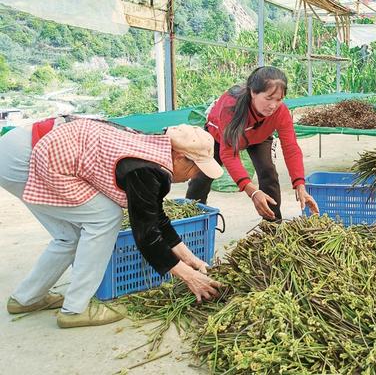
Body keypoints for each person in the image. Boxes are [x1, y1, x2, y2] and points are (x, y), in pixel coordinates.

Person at [0, 117, 224, 328]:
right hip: (27, 156)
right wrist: (189, 277)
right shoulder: (145, 168)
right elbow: (146, 235)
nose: (194, 177)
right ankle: (75, 310)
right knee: (105, 218)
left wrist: (192, 260)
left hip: (17, 148)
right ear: (180, 157)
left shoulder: (153, 149)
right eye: (196, 169)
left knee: (69, 236)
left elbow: (156, 217)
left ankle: (26, 298)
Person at [186, 66, 319, 220]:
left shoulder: (280, 112)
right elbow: (229, 154)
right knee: (202, 176)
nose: (273, 105)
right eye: (269, 98)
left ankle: (273, 226)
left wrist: (300, 185)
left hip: (258, 136)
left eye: (279, 99)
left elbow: (291, 148)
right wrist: (252, 191)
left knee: (268, 172)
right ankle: (191, 218)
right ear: (252, 92)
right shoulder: (231, 108)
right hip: (219, 137)